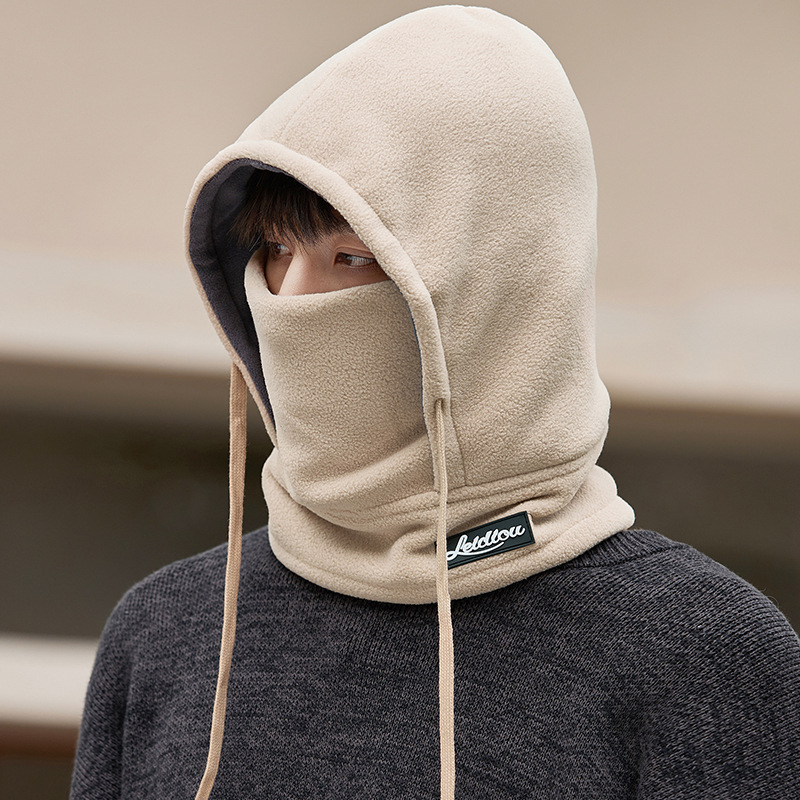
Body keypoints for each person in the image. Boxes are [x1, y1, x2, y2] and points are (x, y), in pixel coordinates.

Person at [70, 6, 800, 799]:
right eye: (276, 250)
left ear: (494, 290)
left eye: (352, 256)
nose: (291, 298)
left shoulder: (704, 656)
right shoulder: (167, 634)